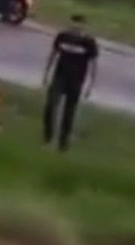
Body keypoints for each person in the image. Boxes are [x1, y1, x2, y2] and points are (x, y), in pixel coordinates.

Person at [42, 14, 98, 152]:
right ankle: (48, 138)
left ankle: (63, 143)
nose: (74, 28)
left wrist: (90, 85)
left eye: (78, 25)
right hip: (59, 77)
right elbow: (53, 54)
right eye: (72, 25)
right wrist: (46, 74)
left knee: (69, 112)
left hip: (76, 80)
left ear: (84, 26)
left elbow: (93, 64)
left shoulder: (89, 42)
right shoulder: (62, 37)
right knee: (51, 105)